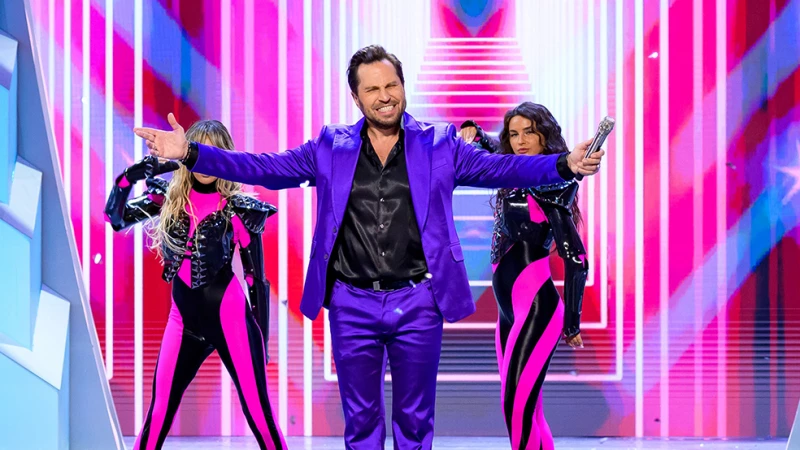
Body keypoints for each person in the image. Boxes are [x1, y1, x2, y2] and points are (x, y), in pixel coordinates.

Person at [134, 45, 604, 450]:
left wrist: (564, 164)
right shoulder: (329, 146)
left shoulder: (441, 144)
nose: (385, 96)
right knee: (361, 425)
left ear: (403, 86)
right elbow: (265, 168)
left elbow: (504, 170)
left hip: (419, 301)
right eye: (373, 89)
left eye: (392, 85)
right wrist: (191, 153)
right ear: (356, 97)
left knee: (415, 425)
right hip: (351, 302)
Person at [106, 120, 287, 450]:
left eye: (212, 151)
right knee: (158, 414)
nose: (204, 160)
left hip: (231, 320)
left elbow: (256, 279)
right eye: (198, 148)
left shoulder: (238, 209)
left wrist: (261, 342)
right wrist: (128, 178)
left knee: (260, 415)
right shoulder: (168, 200)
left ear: (224, 156)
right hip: (183, 322)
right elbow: (114, 219)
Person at [461, 102, 588, 450]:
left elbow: (576, 258)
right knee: (526, 411)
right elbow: (493, 148)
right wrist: (474, 129)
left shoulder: (555, 183)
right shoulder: (511, 170)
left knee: (518, 409)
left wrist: (572, 323)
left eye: (529, 133)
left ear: (545, 136)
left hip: (536, 309)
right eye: (514, 134)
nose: (520, 141)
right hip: (509, 312)